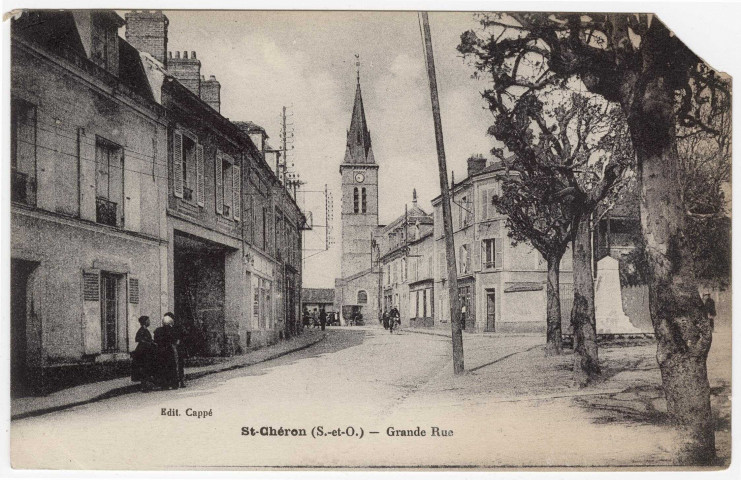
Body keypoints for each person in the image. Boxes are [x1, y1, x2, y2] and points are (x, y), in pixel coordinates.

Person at [154, 312, 180, 390]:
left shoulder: (158, 330)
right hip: (169, 350)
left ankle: (164, 385)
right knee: (171, 367)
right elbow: (174, 340)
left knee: (162, 367)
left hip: (160, 350)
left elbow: (155, 340)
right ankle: (174, 384)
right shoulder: (172, 330)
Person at [131, 316, 156, 392]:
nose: (149, 322)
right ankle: (144, 386)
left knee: (146, 368)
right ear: (145, 322)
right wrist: (148, 343)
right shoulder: (142, 330)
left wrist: (152, 342)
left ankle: (146, 385)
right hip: (142, 351)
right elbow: (138, 339)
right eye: (148, 320)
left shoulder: (145, 330)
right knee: (144, 368)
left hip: (146, 350)